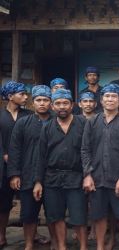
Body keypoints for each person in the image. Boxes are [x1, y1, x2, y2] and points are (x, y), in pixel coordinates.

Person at [82, 84, 119, 250]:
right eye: (107, 96)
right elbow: (85, 150)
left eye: (114, 96)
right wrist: (88, 175)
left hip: (118, 178)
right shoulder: (92, 122)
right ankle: (100, 246)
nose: (110, 99)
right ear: (101, 100)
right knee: (99, 216)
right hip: (97, 178)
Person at [34, 89, 88, 250]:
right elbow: (41, 156)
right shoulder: (47, 127)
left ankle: (84, 247)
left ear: (72, 105)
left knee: (79, 218)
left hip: (76, 178)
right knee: (56, 217)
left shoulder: (83, 123)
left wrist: (88, 175)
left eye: (65, 103)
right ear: (52, 106)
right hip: (52, 178)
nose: (62, 106)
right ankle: (62, 247)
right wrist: (38, 182)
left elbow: (89, 151)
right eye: (58, 103)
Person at [7, 85, 53, 250]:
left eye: (46, 100)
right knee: (28, 214)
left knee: (54, 214)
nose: (42, 103)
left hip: (52, 176)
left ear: (51, 102)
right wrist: (14, 174)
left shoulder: (57, 121)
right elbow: (14, 149)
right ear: (33, 103)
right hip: (27, 174)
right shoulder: (23, 123)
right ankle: (28, 244)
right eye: (38, 100)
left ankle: (56, 243)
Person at [0, 81, 32, 248]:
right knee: (4, 202)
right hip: (4, 166)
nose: (26, 97)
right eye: (22, 94)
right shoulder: (1, 116)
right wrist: (4, 153)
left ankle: (33, 234)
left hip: (26, 164)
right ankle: (2, 235)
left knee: (30, 202)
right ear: (10, 96)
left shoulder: (28, 115)